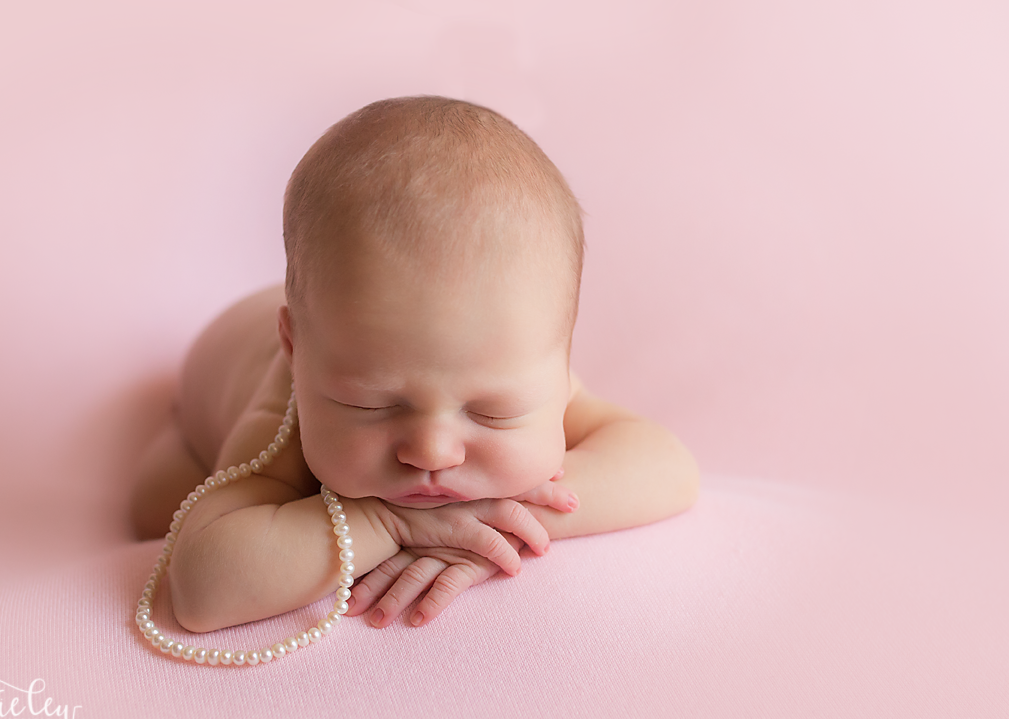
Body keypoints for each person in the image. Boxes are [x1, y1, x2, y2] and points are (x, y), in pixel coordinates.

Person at [129, 95, 699, 633]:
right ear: (298, 354)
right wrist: (387, 524)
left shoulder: (512, 360)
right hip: (219, 363)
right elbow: (202, 591)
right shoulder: (285, 419)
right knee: (156, 506)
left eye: (492, 414)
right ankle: (179, 426)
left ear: (561, 358)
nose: (431, 452)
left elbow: (668, 466)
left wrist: (502, 525)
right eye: (372, 405)